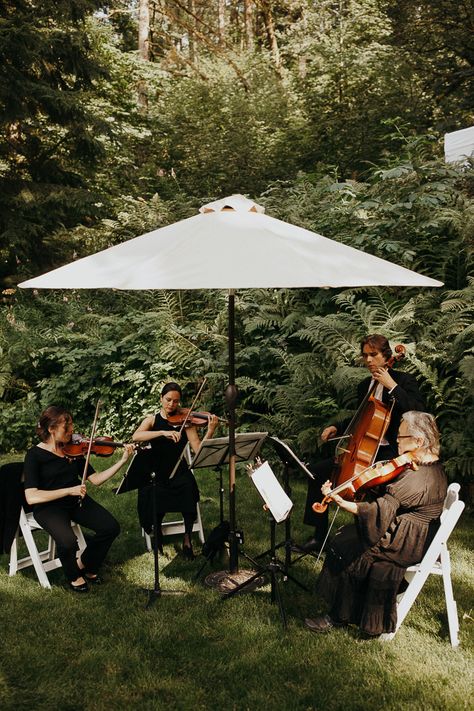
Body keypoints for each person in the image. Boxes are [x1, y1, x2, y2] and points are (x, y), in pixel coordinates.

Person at [304, 411, 447, 637]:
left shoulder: (417, 478)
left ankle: (338, 616)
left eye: (401, 438)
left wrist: (340, 500)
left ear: (419, 441)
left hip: (406, 542)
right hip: (414, 532)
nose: (397, 442)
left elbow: (378, 512)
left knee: (347, 546)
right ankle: (344, 611)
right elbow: (389, 501)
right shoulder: (427, 466)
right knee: (348, 536)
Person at [297, 334, 426, 552]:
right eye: (365, 355)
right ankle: (319, 537)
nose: (368, 360)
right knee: (316, 472)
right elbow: (362, 417)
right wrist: (337, 427)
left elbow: (418, 411)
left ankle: (368, 537)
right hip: (363, 450)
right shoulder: (364, 385)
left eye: (373, 355)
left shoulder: (403, 381)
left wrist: (392, 386)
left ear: (386, 356)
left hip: (391, 452)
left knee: (365, 485)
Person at [24, 405, 134, 593]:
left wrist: (122, 460)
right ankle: (74, 576)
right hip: (48, 507)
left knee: (110, 527)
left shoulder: (73, 451)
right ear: (51, 429)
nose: (72, 431)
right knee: (68, 542)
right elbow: (31, 496)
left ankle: (85, 564)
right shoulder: (34, 455)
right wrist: (69, 490)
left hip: (75, 501)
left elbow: (96, 479)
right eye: (67, 427)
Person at [132, 382, 218, 560]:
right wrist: (162, 433)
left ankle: (187, 539)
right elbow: (136, 436)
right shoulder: (152, 420)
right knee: (151, 492)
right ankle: (158, 534)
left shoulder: (187, 422)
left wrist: (209, 431)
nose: (172, 404)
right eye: (168, 400)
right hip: (156, 471)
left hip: (178, 469)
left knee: (189, 489)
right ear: (161, 399)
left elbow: (197, 449)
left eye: (176, 401)